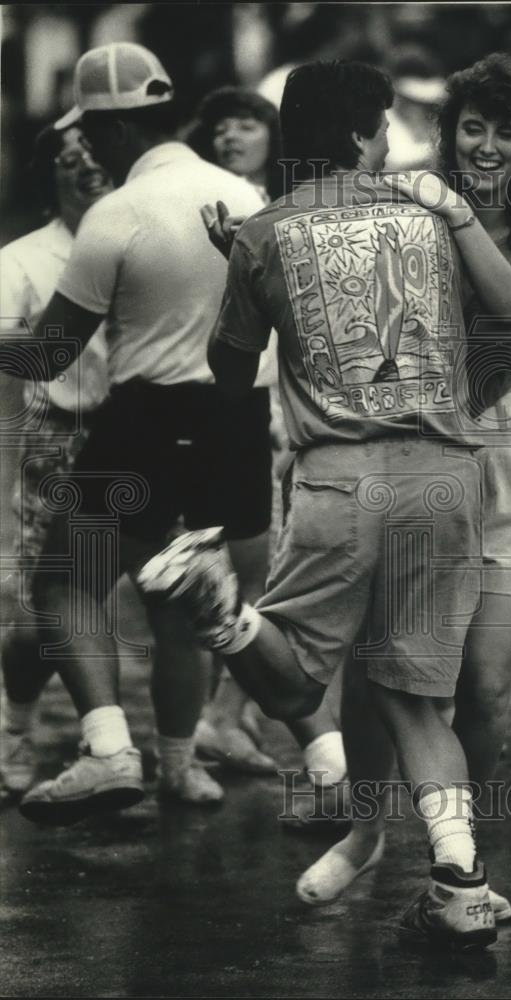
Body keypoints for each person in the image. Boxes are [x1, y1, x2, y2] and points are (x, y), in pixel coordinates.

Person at [137, 58, 511, 948]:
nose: (389, 140)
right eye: (382, 126)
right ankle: (461, 880)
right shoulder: (431, 214)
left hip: (338, 480)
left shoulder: (264, 231)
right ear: (359, 133)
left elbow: (231, 373)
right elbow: (504, 312)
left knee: (293, 676)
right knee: (420, 701)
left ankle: (221, 610)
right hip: (444, 475)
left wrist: (241, 262)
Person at [294, 53, 511, 913]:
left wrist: (448, 209)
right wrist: (240, 236)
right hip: (407, 445)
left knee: (481, 684)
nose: (487, 145)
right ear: (450, 130)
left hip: (498, 454)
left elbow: (508, 302)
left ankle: (457, 865)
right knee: (381, 665)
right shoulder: (401, 191)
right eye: (473, 126)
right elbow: (313, 234)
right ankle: (365, 830)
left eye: (506, 130)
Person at [0, 42, 267, 824]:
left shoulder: (116, 213)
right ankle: (274, 762)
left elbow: (52, 351)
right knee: (198, 607)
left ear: (115, 132)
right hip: (237, 419)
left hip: (150, 417)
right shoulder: (244, 195)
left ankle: (112, 750)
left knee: (63, 581)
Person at [188, 85, 348, 800]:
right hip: (225, 400)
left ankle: (228, 715)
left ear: (273, 134)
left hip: (284, 407)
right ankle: (232, 720)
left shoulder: (284, 205)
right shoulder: (205, 201)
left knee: (270, 576)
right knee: (255, 576)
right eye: (219, 125)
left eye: (245, 122)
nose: (230, 135)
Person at [0, 123, 111, 795]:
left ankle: (177, 748)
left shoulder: (142, 237)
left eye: (96, 157)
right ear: (52, 176)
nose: (87, 169)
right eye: (71, 161)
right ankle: (16, 726)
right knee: (47, 607)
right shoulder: (22, 259)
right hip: (56, 438)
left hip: (147, 430)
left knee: (174, 592)